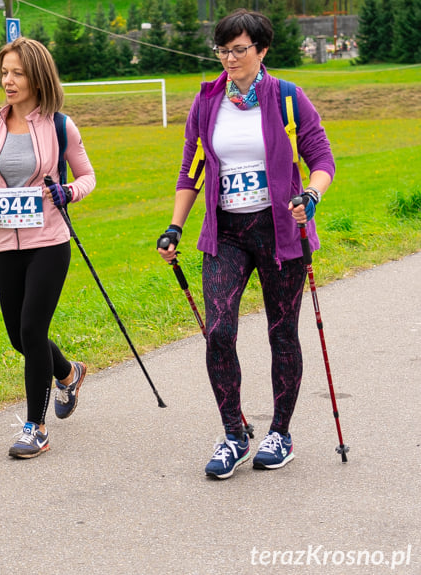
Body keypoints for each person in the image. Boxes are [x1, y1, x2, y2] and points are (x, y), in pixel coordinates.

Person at [156, 10, 335, 479]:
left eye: (238, 49)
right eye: (222, 50)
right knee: (218, 331)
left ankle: (280, 431)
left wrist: (310, 195)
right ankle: (234, 435)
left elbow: (320, 157)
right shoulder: (208, 100)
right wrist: (174, 227)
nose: (229, 59)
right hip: (226, 232)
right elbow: (191, 168)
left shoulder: (286, 99)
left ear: (261, 50)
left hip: (280, 231)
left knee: (281, 333)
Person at [0, 37, 96, 459]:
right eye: (4, 72)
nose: (8, 80)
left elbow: (88, 177)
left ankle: (35, 428)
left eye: (17, 72)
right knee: (19, 337)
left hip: (49, 242)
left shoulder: (59, 124)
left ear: (37, 76)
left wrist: (67, 192)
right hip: (6, 243)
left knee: (33, 329)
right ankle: (69, 373)